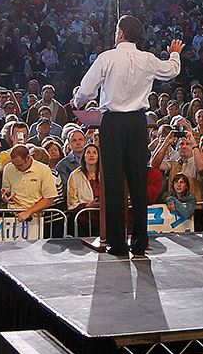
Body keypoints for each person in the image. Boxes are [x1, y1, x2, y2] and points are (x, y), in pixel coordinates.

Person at [73, 15, 183, 258]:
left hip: (112, 122)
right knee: (138, 181)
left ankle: (118, 244)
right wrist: (174, 52)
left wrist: (77, 102)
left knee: (112, 184)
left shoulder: (107, 57)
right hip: (137, 123)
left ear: (120, 34)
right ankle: (141, 242)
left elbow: (87, 88)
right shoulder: (147, 59)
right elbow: (172, 70)